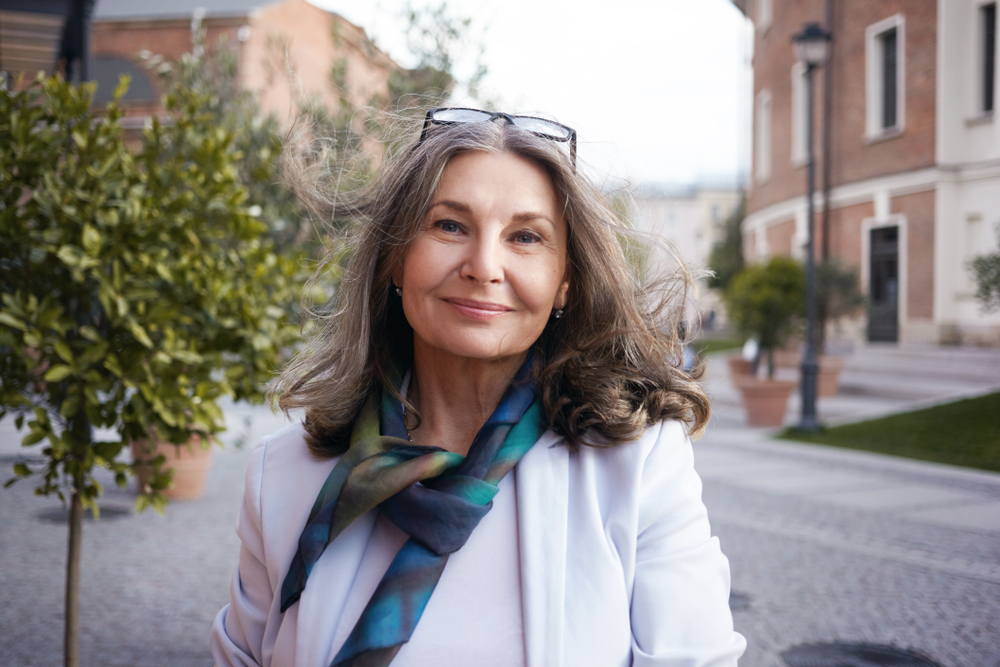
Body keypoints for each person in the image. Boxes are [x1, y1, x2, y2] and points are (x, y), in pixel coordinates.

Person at [211, 108, 746, 667]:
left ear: (565, 282)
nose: (484, 265)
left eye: (525, 236)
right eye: (449, 226)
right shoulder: (282, 476)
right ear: (396, 259)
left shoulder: (639, 467)